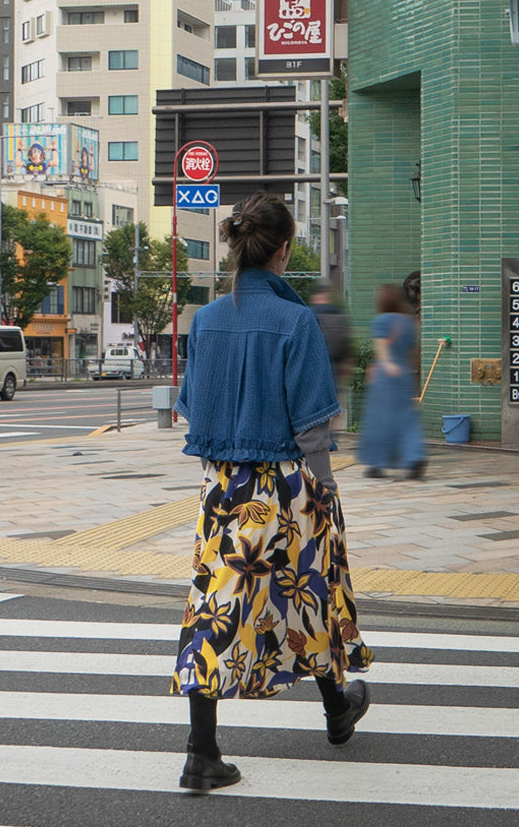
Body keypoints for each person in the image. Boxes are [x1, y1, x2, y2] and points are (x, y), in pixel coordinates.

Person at [171, 192, 373, 794]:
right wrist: (326, 489)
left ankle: (205, 748)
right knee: (312, 591)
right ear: (283, 250)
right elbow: (312, 426)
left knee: (216, 604)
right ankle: (332, 708)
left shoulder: (206, 320)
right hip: (286, 482)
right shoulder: (295, 321)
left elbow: (192, 409)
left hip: (222, 486)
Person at [358, 283, 426, 479]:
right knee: (407, 418)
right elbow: (412, 352)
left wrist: (387, 364)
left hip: (386, 376)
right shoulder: (409, 322)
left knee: (380, 419)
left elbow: (381, 348)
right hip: (405, 373)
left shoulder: (381, 321)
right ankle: (415, 456)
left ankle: (376, 463)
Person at [309, 278, 354, 430]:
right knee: (334, 404)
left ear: (315, 297)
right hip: (336, 368)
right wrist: (347, 365)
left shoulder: (310, 315)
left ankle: (320, 433)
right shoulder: (339, 316)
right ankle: (331, 433)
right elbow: (347, 343)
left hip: (315, 369)